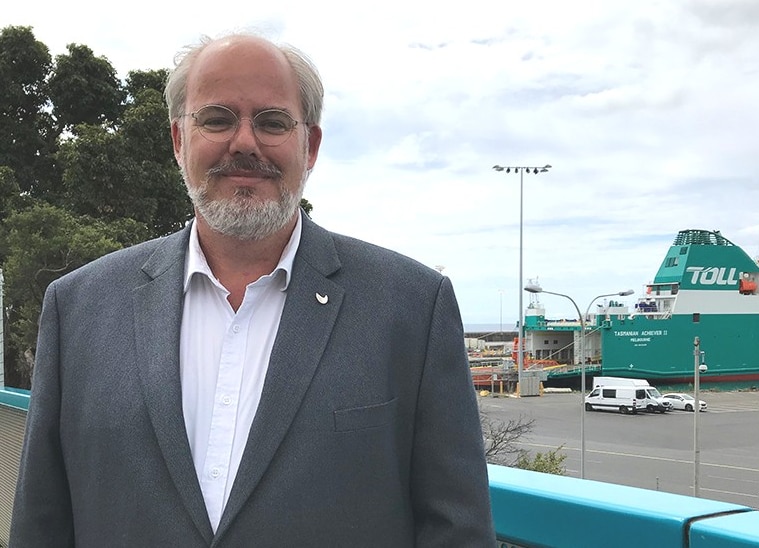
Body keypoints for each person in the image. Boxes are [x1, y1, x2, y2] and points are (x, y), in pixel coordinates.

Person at [10, 33, 495, 547]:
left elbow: (457, 532)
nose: (244, 143)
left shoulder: (413, 309)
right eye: (217, 119)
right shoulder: (79, 309)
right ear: (179, 141)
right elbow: (41, 525)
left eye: (272, 122)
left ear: (310, 146)